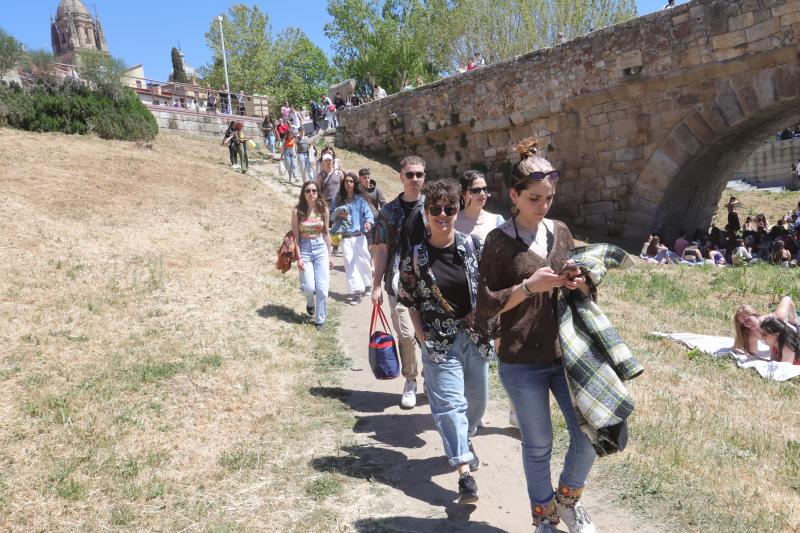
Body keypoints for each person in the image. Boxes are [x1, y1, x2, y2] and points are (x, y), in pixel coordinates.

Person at [475, 138, 597, 532]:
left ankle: (567, 501)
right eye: (534, 198)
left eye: (549, 197)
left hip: (566, 352)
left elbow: (582, 290)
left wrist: (579, 282)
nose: (543, 206)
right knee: (538, 444)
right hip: (521, 358)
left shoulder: (560, 231)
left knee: (589, 434)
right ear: (514, 195)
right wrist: (529, 287)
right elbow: (487, 305)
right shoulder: (497, 242)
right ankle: (543, 519)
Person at [399, 179, 493, 504]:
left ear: (456, 210)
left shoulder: (472, 246)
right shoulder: (415, 256)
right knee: (452, 406)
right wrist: (420, 333)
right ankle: (464, 474)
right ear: (426, 213)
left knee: (478, 402)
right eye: (435, 209)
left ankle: (465, 440)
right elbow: (407, 297)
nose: (442, 214)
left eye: (449, 208)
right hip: (438, 343)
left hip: (473, 338)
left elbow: (489, 288)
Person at [372, 156, 429, 409]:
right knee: (405, 333)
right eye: (410, 174)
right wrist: (375, 285)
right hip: (398, 280)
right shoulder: (388, 211)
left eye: (419, 174)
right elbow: (382, 250)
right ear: (401, 177)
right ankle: (410, 380)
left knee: (429, 333)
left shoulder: (435, 207)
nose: (415, 179)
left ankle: (431, 377)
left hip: (431, 281)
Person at [291, 182, 333, 330]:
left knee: (322, 289)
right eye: (308, 191)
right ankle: (310, 302)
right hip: (305, 248)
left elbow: (327, 233)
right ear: (304, 193)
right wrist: (299, 257)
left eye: (314, 191)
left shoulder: (323, 209)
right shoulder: (297, 211)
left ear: (318, 193)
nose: (311, 193)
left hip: (321, 247)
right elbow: (295, 237)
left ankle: (320, 320)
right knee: (309, 287)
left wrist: (329, 255)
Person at [330, 173, 374, 305]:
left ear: (355, 184)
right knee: (350, 264)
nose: (348, 184)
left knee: (364, 262)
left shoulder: (360, 200)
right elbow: (330, 215)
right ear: (343, 184)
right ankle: (356, 292)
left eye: (351, 181)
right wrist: (338, 214)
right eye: (346, 182)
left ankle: (367, 284)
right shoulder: (338, 200)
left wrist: (368, 222)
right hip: (345, 237)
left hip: (360, 236)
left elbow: (369, 214)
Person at [733, 296, 797, 356]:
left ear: (755, 314)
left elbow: (787, 299)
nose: (746, 324)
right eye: (743, 323)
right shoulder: (752, 334)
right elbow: (753, 354)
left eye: (747, 319)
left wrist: (793, 319)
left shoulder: (775, 318)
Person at [454, 170, 505, 243]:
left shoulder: (497, 221)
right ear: (463, 193)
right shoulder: (452, 222)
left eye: (485, 189)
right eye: (476, 190)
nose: (482, 193)